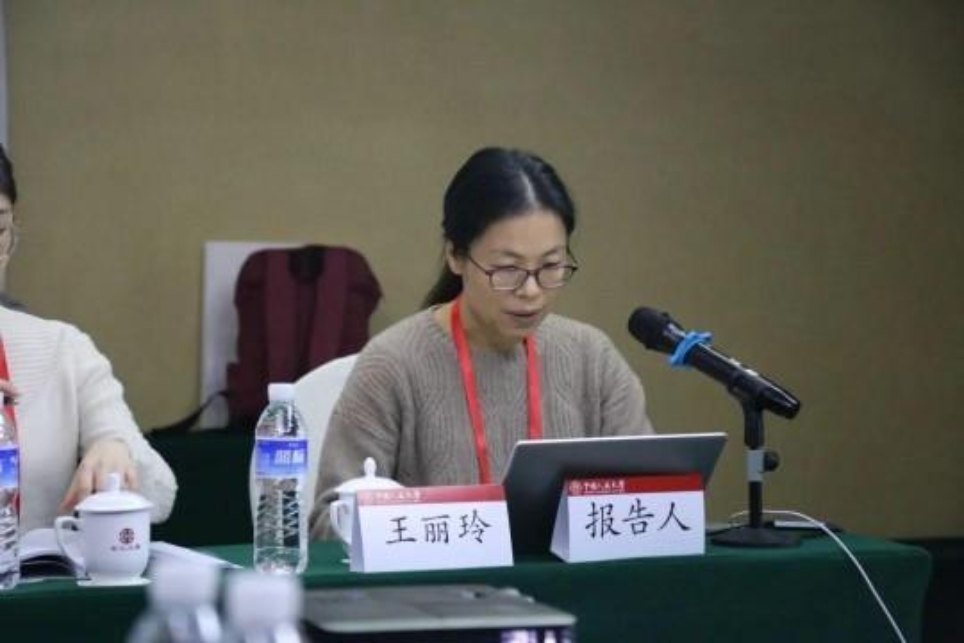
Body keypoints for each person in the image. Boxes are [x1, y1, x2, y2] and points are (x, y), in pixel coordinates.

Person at [309, 147, 654, 539]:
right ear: (456, 256)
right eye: (507, 269)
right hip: (440, 578)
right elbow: (327, 525)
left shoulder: (592, 357)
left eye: (550, 266)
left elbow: (650, 497)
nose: (531, 291)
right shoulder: (393, 364)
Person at [0, 144, 176, 531]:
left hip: (34, 569)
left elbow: (161, 493)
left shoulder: (63, 348)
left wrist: (116, 448)